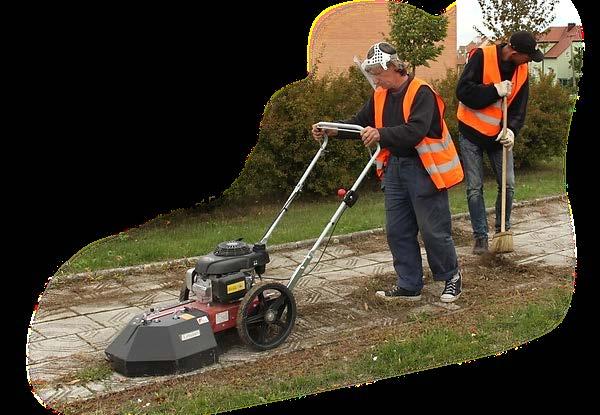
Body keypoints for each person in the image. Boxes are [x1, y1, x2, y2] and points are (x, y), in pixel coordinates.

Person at [312, 42, 464, 303]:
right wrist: (333, 130)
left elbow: (415, 130)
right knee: (398, 231)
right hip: (394, 170)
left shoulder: (422, 92)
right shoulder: (380, 95)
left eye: (377, 73)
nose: (375, 79)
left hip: (425, 169)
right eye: (371, 73)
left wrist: (380, 133)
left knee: (433, 230)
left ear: (394, 68)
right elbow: (360, 122)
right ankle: (409, 285)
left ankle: (451, 277)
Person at [456, 30, 543, 254]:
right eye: (528, 56)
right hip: (471, 132)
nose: (529, 61)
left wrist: (512, 130)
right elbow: (463, 91)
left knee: (509, 185)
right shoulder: (482, 56)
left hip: (499, 135)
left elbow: (519, 106)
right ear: (514, 51)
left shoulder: (522, 70)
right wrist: (494, 90)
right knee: (475, 188)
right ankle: (480, 238)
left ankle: (502, 230)